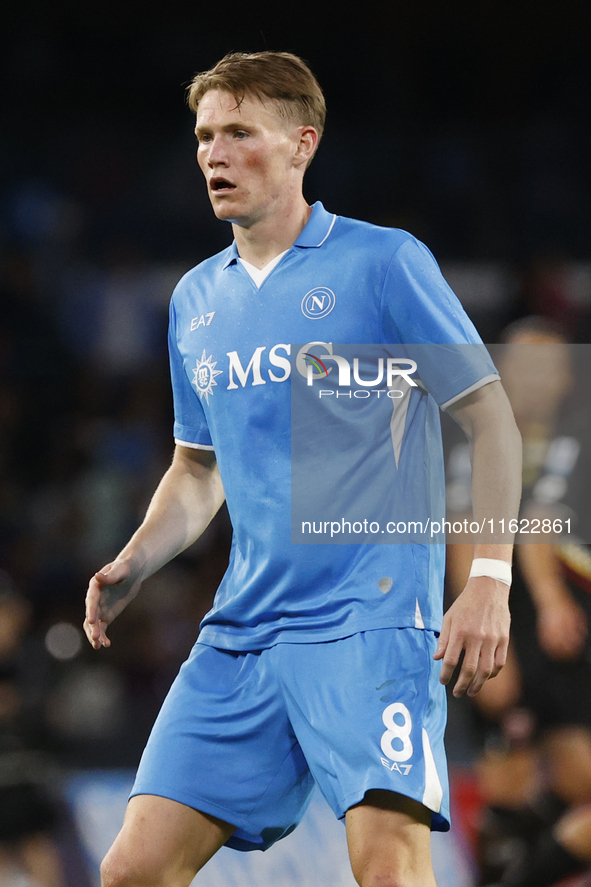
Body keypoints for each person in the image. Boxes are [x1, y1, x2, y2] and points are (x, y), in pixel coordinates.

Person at [83, 51, 522, 887]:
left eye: (240, 133)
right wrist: (137, 557)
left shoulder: (383, 263)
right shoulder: (195, 300)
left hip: (370, 621)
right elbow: (196, 467)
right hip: (244, 629)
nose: (215, 153)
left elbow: (488, 418)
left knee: (388, 867)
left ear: (300, 146)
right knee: (132, 869)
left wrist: (490, 579)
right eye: (205, 135)